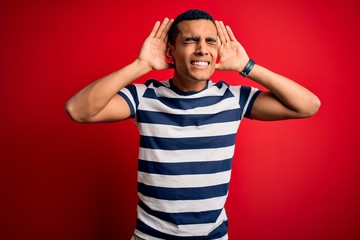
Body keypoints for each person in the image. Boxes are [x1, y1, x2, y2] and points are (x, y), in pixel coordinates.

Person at [66, 9, 320, 240]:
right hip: (151, 236)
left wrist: (246, 66)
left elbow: (307, 105)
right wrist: (141, 65)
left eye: (211, 41)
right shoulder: (144, 96)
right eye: (190, 40)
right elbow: (78, 111)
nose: (202, 49)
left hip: (213, 236)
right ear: (170, 51)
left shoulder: (233, 98)